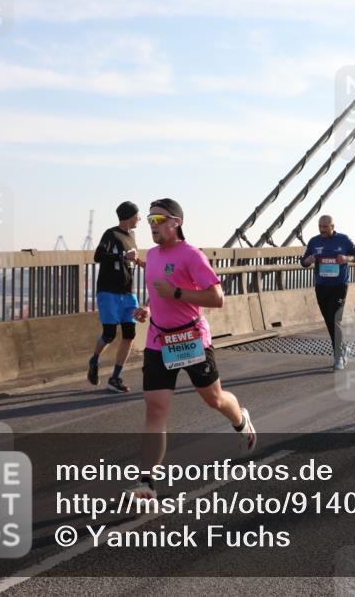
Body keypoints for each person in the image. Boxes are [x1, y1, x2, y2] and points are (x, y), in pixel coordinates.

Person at [128, 198, 256, 500]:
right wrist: (147, 308)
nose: (152, 226)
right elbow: (157, 291)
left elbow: (217, 298)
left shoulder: (191, 255)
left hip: (191, 338)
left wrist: (175, 293)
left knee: (214, 399)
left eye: (159, 220)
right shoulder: (153, 256)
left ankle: (240, 420)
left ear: (176, 223)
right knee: (155, 409)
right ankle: (146, 482)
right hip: (159, 340)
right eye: (150, 220)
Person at [88, 201, 143, 393]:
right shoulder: (111, 234)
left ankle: (115, 377)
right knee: (109, 334)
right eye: (138, 215)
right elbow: (98, 256)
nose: (140, 218)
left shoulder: (132, 236)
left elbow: (132, 260)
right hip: (108, 291)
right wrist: (121, 256)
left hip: (129, 293)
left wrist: (143, 263)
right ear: (129, 216)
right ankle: (94, 360)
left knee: (130, 334)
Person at [301, 215, 355, 370]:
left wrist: (347, 258)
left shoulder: (343, 240)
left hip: (339, 286)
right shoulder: (314, 241)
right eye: (320, 227)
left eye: (325, 227)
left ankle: (338, 357)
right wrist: (308, 261)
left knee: (335, 320)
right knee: (329, 321)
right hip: (321, 286)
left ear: (332, 226)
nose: (322, 230)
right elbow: (304, 261)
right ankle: (343, 348)